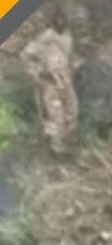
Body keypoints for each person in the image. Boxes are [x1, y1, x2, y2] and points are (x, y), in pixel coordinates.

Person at [20, 12, 78, 154]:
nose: (61, 23)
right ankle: (56, 149)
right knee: (55, 115)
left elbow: (68, 57)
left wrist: (73, 69)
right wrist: (38, 72)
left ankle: (68, 142)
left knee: (72, 112)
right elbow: (25, 55)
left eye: (64, 20)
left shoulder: (67, 37)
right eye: (58, 20)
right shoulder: (45, 39)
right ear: (53, 22)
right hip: (50, 83)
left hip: (66, 81)